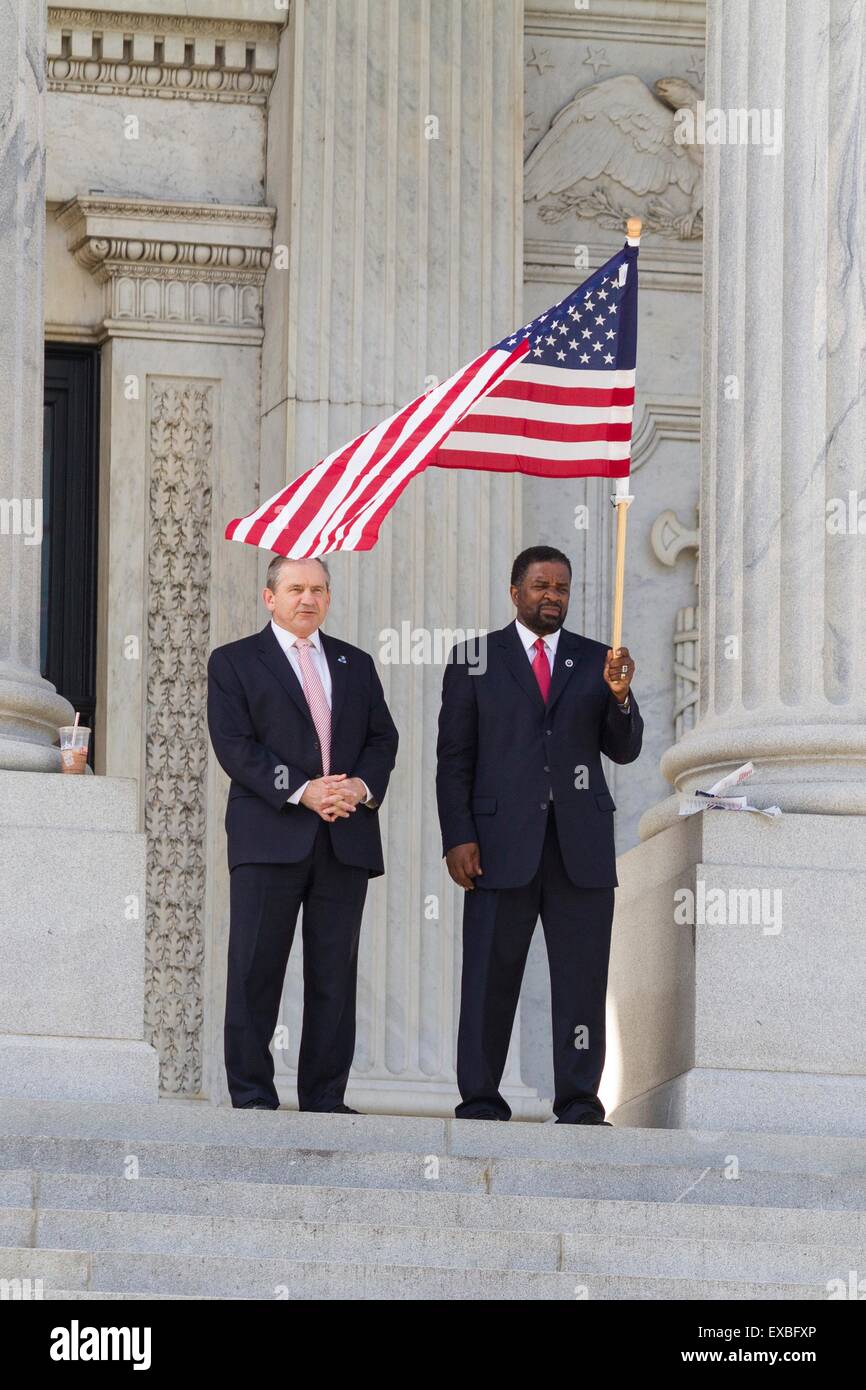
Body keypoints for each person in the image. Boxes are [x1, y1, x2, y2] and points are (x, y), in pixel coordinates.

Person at [436, 545, 642, 1123]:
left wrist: (620, 697)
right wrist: (458, 835)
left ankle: (578, 1101)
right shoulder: (473, 660)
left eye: (562, 588)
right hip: (498, 847)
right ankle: (480, 1099)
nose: (553, 596)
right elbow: (453, 760)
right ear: (515, 592)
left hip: (580, 848)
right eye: (541, 586)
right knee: (488, 978)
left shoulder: (600, 660)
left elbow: (624, 750)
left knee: (580, 981)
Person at [207, 555, 398, 1112]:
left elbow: (382, 739)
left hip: (344, 837)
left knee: (334, 974)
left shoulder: (356, 664)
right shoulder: (235, 661)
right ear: (270, 598)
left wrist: (357, 788)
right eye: (295, 589)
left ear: (328, 598)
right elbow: (235, 745)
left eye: (317, 589)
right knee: (254, 968)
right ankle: (252, 1096)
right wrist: (304, 789)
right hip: (269, 835)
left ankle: (324, 1099)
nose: (306, 599)